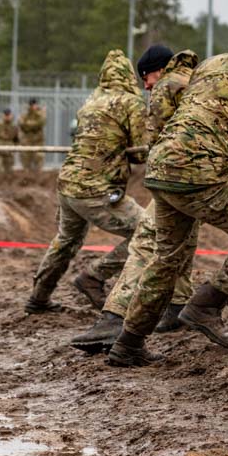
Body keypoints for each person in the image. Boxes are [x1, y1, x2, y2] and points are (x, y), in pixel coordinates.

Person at [105, 29, 228, 366]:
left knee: (166, 259)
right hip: (201, 172)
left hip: (162, 168)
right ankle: (208, 304)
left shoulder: (211, 64)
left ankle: (128, 342)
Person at [71, 46, 202, 351]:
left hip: (180, 176)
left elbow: (151, 139)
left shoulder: (169, 87)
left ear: (161, 69)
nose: (146, 85)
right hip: (199, 176)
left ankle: (115, 318)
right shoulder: (197, 82)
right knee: (180, 239)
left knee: (146, 240)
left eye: (147, 77)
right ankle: (177, 308)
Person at [25, 49, 148, 314]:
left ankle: (39, 297)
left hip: (68, 183)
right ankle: (94, 277)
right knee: (149, 231)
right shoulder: (130, 102)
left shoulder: (90, 101)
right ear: (129, 76)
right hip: (96, 189)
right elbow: (140, 152)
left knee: (66, 241)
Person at [19, 98, 46, 172]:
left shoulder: (40, 113)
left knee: (39, 160)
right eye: (32, 104)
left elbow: (42, 122)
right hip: (27, 141)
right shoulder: (25, 114)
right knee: (26, 160)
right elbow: (21, 124)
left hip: (38, 141)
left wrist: (29, 124)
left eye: (34, 104)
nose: (33, 106)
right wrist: (33, 125)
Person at [0, 109, 18, 174]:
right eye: (5, 115)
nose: (7, 117)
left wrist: (14, 149)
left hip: (9, 151)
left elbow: (17, 139)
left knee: (9, 171)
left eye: (8, 115)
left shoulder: (14, 126)